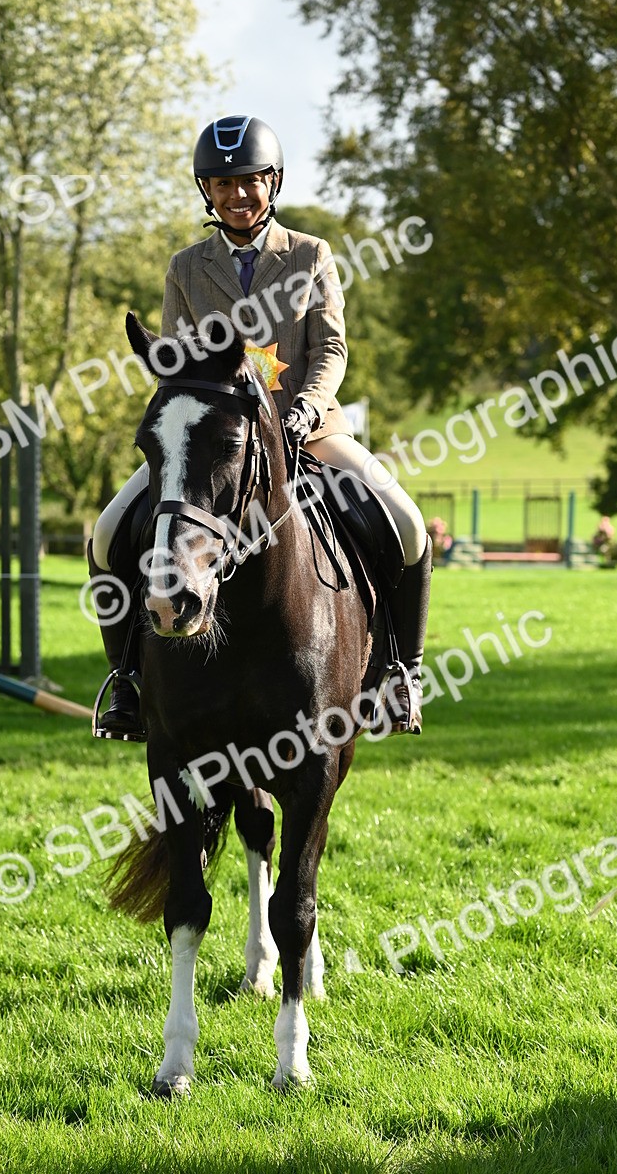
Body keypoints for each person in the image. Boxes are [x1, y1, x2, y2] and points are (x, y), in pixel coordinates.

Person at [89, 114, 431, 741]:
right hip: (214, 443)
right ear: (206, 191)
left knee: (407, 525)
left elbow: (331, 350)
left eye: (249, 181)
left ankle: (400, 672)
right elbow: (175, 362)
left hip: (310, 427)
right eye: (222, 184)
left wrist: (304, 406)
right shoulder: (186, 268)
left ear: (272, 182)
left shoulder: (310, 255)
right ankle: (129, 685)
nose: (237, 195)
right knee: (109, 534)